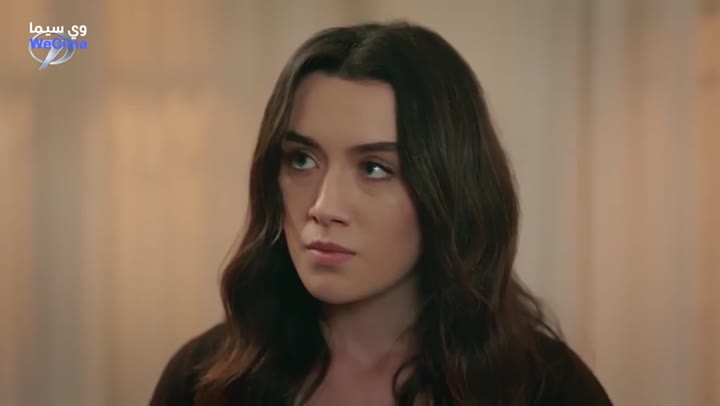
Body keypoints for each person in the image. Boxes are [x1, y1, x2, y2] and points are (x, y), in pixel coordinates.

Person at [150, 21, 613, 406]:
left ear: (449, 190)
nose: (324, 207)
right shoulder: (203, 379)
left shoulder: (547, 390)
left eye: (374, 168)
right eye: (302, 160)